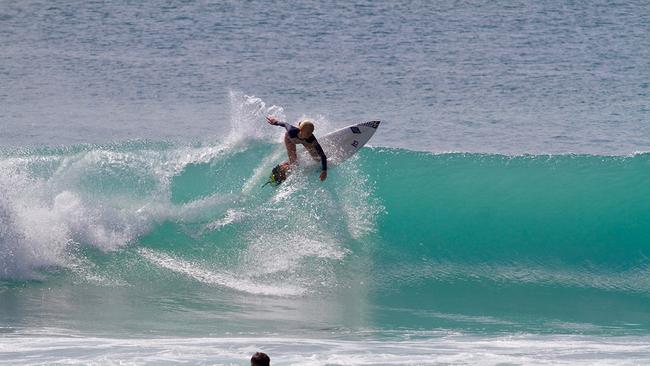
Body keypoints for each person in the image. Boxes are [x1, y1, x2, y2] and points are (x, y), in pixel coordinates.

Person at [267, 116, 328, 181]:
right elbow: (285, 124)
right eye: (308, 132)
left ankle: (287, 165)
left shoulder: (310, 138)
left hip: (304, 141)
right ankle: (281, 170)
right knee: (294, 163)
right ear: (301, 130)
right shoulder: (291, 131)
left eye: (311, 132)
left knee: (317, 158)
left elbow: (322, 155)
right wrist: (275, 122)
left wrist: (324, 170)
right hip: (290, 139)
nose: (310, 134)